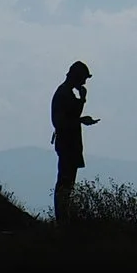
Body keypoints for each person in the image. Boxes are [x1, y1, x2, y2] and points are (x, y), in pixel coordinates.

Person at [51, 59, 98, 224]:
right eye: (83, 78)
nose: (84, 82)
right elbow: (61, 122)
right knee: (65, 182)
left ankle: (64, 217)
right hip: (67, 145)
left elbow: (71, 115)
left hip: (70, 145)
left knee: (68, 183)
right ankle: (62, 219)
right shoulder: (63, 94)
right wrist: (80, 120)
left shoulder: (67, 94)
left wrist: (82, 100)